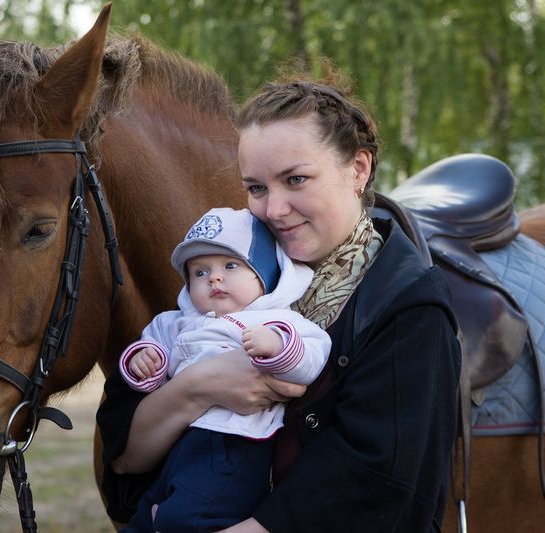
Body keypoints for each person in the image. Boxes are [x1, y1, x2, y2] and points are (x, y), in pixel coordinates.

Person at [97, 70, 461, 533]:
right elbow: (123, 461)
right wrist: (198, 386)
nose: (273, 209)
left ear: (358, 169)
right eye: (257, 187)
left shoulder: (408, 308)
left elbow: (377, 485)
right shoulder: (219, 281)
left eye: (296, 179)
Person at [120, 207, 331, 531]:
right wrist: (144, 362)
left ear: (264, 275)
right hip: (179, 438)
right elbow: (152, 353)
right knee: (145, 516)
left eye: (231, 265)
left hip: (234, 443)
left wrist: (278, 347)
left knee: (189, 518)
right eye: (200, 272)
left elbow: (314, 356)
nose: (214, 278)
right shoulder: (174, 323)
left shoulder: (277, 319)